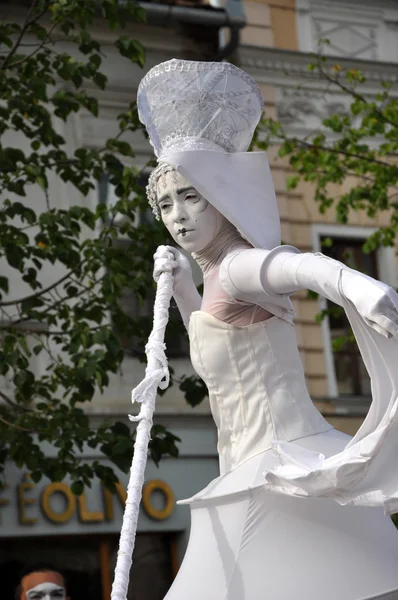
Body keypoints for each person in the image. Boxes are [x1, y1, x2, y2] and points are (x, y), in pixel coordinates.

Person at [137, 59, 398, 599]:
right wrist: (184, 286)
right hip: (241, 472)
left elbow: (299, 266)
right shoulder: (213, 278)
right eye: (165, 204)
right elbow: (213, 346)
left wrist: (357, 286)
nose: (178, 216)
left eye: (191, 196)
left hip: (281, 474)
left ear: (222, 196)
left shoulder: (238, 266)